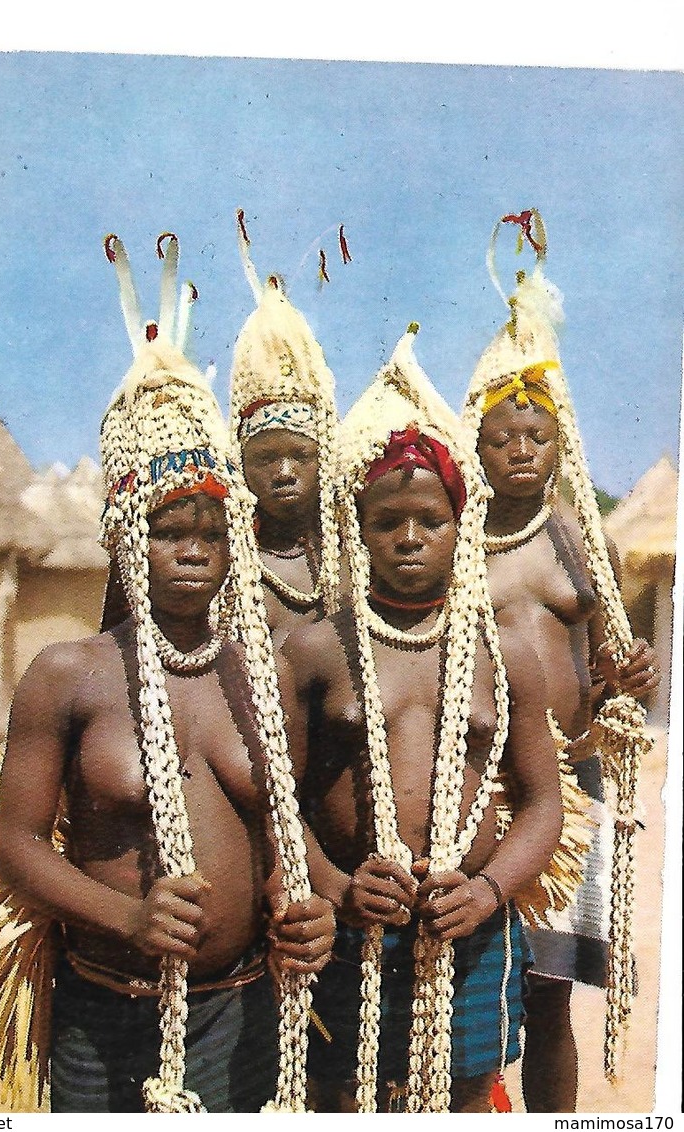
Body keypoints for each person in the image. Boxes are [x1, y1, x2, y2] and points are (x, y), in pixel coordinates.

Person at [0, 232, 335, 1113]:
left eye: (212, 533)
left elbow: (278, 840)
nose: (192, 553)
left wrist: (309, 909)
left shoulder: (260, 678)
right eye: (167, 530)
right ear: (123, 535)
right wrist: (127, 919)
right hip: (104, 1014)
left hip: (240, 1010)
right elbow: (18, 846)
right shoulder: (68, 675)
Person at [279, 325, 564, 1113]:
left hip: (466, 923)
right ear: (358, 528)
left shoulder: (500, 649)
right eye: (386, 522)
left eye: (429, 521)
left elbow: (541, 800)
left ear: (460, 525)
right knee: (337, 1092)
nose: (407, 539)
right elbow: (279, 800)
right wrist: (335, 885)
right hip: (345, 928)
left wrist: (490, 890)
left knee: (469, 1091)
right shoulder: (315, 650)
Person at [461, 211, 660, 1112]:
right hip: (481, 783)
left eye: (536, 436)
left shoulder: (581, 544)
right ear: (476, 440)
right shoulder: (459, 545)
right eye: (503, 436)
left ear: (560, 445)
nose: (519, 449)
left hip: (571, 786)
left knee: (547, 996)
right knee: (469, 992)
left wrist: (629, 679)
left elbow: (609, 653)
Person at [226, 209, 342, 642]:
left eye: (300, 455)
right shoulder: (222, 570)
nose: (285, 473)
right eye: (265, 458)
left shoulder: (353, 564)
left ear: (325, 455)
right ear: (239, 462)